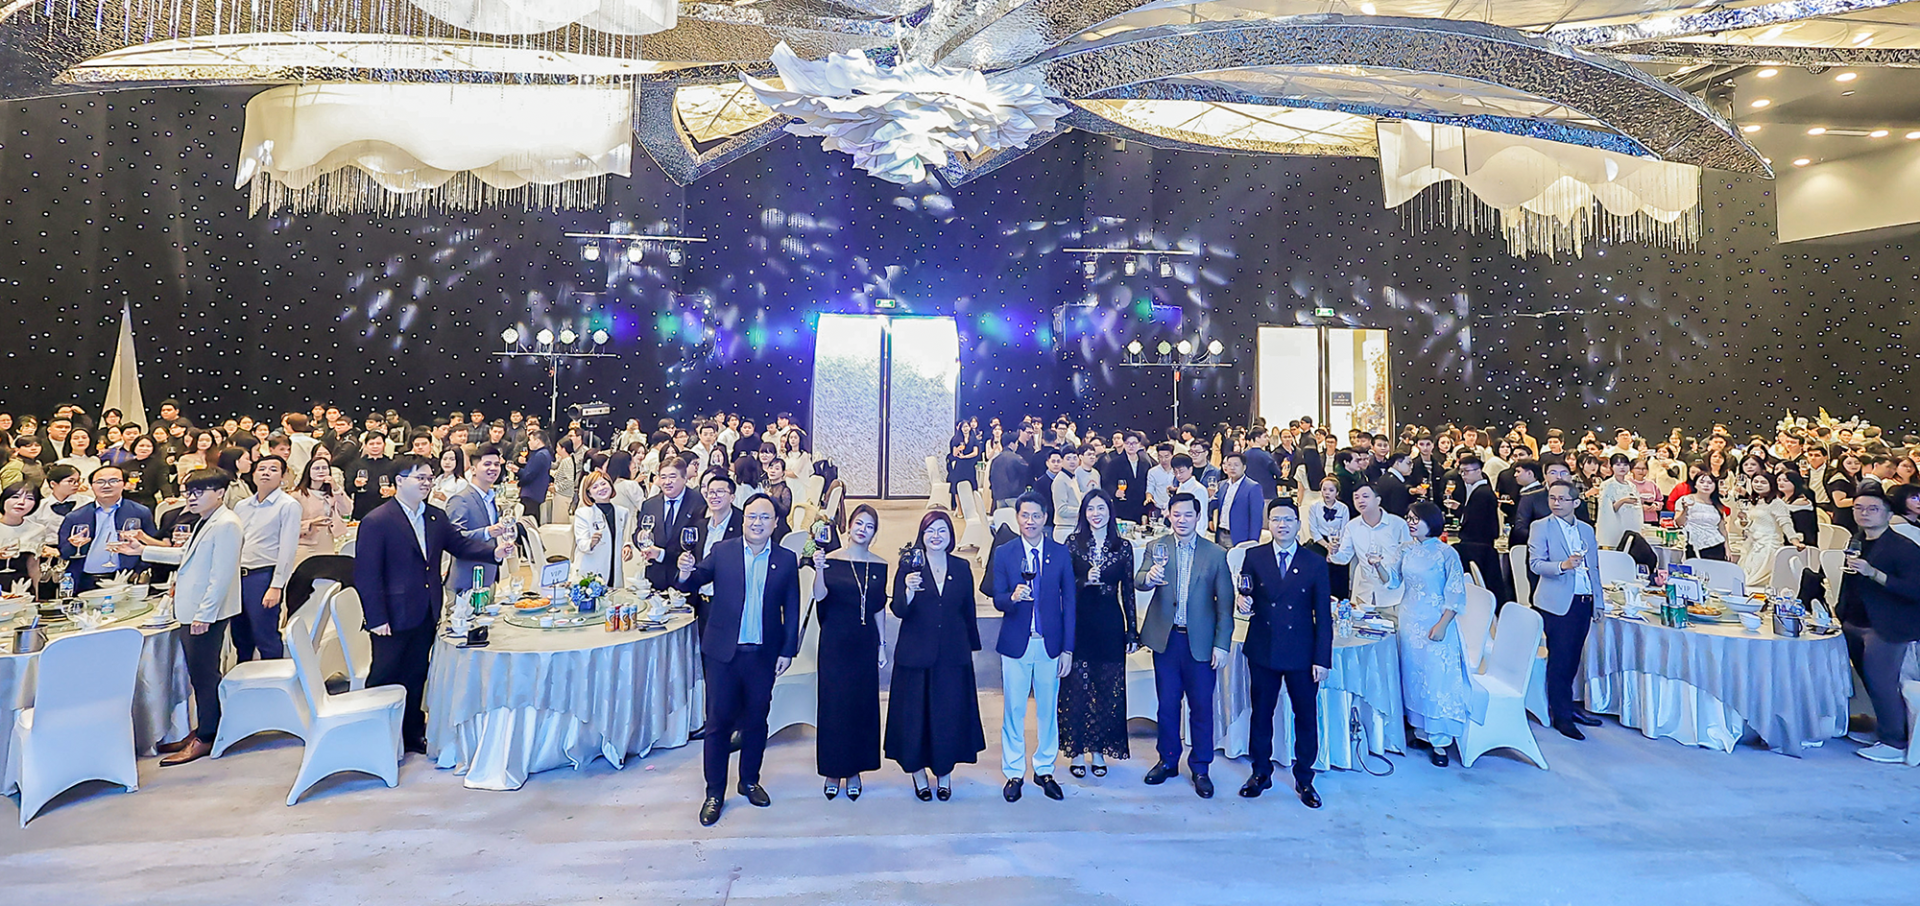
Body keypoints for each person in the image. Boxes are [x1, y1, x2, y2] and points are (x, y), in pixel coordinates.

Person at [352, 455, 509, 754]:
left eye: (428, 478)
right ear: (399, 481)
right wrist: (376, 617)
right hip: (391, 615)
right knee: (385, 675)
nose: (426, 483)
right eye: (419, 478)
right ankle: (374, 737)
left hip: (426, 609)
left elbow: (459, 545)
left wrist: (494, 553)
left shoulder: (434, 516)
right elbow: (367, 574)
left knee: (416, 673)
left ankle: (412, 733)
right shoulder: (378, 520)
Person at [676, 494, 801, 826]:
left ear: (775, 523)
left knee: (757, 721)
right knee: (718, 724)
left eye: (764, 517)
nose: (757, 523)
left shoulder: (786, 559)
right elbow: (695, 579)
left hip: (763, 654)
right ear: (743, 519)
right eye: (751, 516)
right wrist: (685, 572)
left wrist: (787, 650)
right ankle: (714, 792)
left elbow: (792, 607)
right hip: (723, 654)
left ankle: (749, 781)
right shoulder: (723, 551)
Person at [122, 468, 243, 766]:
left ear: (220, 493)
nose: (191, 498)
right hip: (193, 609)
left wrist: (205, 614)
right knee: (198, 674)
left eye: (199, 492)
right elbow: (184, 556)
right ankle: (203, 729)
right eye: (188, 492)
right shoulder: (206, 520)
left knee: (204, 676)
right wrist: (143, 550)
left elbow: (222, 575)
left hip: (205, 613)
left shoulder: (226, 523)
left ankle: (208, 735)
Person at [1134, 492, 1234, 798]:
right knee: (1167, 705)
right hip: (1166, 640)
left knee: (1201, 707)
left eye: (1187, 514)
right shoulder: (1157, 546)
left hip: (1200, 642)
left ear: (1198, 517)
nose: (1181, 520)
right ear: (1169, 515)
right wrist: (1148, 578)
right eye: (1176, 514)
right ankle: (1167, 761)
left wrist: (1222, 644)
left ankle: (1201, 767)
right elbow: (1139, 580)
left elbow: (1225, 604)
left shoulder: (1215, 554)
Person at [1237, 499, 1331, 806]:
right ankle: (1260, 772)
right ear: (1268, 524)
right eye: (1276, 519)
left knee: (1305, 716)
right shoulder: (1254, 556)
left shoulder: (1315, 562)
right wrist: (1242, 602)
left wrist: (1322, 658)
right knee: (1261, 714)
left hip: (1302, 651)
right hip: (1263, 646)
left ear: (1298, 524)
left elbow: (1323, 615)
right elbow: (1246, 592)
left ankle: (1305, 778)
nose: (1282, 525)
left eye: (1288, 519)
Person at [886, 510, 985, 802]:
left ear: (951, 535)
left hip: (952, 653)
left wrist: (973, 647)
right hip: (915, 654)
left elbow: (968, 610)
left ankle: (944, 775)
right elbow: (898, 610)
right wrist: (908, 590)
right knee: (915, 718)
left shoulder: (961, 567)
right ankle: (918, 775)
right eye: (930, 530)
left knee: (947, 716)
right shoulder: (909, 565)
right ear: (922, 535)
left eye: (942, 530)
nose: (936, 536)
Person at [991, 492, 1076, 803]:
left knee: (1047, 710)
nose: (1030, 521)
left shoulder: (1060, 553)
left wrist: (1068, 649)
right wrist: (1011, 598)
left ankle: (1044, 769)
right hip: (1016, 643)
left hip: (1050, 644)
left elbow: (1070, 603)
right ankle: (1014, 772)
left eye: (1036, 515)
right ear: (1017, 517)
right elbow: (997, 597)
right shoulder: (1005, 553)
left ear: (1045, 518)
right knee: (1013, 709)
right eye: (1025, 515)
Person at [810, 504, 888, 800]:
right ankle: (833, 770)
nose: (862, 529)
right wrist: (819, 569)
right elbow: (819, 596)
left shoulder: (880, 565)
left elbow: (878, 607)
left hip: (865, 643)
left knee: (861, 706)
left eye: (869, 526)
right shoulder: (831, 559)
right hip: (834, 641)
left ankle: (855, 770)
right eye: (859, 523)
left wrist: (882, 645)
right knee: (833, 706)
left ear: (874, 532)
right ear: (849, 526)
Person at [1059, 489, 1137, 779]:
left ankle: (1100, 750)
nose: (1096, 514)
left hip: (1110, 623)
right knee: (1078, 688)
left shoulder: (1123, 546)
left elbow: (1128, 591)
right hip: (1080, 623)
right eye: (1090, 508)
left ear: (1110, 511)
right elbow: (1063, 587)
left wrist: (1132, 632)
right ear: (1084, 513)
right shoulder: (1073, 543)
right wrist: (1083, 580)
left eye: (1101, 508)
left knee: (1107, 689)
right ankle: (1078, 751)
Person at [1389, 502, 1475, 765]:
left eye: (1416, 518)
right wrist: (1377, 565)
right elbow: (1392, 581)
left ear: (1432, 521)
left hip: (1435, 620)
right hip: (1409, 619)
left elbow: (1456, 593)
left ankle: (1440, 741)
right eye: (1408, 517)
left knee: (1437, 678)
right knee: (1413, 676)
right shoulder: (1405, 549)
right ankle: (1421, 731)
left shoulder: (1446, 553)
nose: (1411, 522)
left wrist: (1443, 624)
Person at [1839, 490, 1920, 763]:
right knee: (1868, 679)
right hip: (1855, 619)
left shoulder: (1903, 547)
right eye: (1858, 507)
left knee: (1882, 682)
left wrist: (1874, 574)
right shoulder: (1857, 540)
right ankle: (1883, 729)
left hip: (1887, 624)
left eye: (1872, 508)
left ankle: (1895, 742)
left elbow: (1914, 589)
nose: (1864, 513)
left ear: (1888, 514)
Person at [1528, 480, 1604, 741]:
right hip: (1556, 601)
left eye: (1562, 499)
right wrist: (1563, 566)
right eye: (1552, 498)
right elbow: (1536, 564)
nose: (1556, 503)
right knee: (1560, 659)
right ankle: (1561, 715)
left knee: (1573, 658)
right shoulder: (1541, 527)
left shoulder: (1586, 529)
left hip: (1584, 599)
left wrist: (1598, 602)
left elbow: (1594, 568)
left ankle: (1568, 706)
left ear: (1576, 502)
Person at [230, 455, 303, 662]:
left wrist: (276, 585)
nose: (266, 473)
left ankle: (273, 676)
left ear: (283, 476)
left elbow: (288, 549)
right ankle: (244, 676)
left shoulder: (288, 505)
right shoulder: (242, 506)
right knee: (240, 636)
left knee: (265, 635)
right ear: (253, 474)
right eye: (261, 469)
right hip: (238, 576)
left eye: (273, 469)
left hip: (263, 576)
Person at [56, 464, 157, 593]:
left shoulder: (140, 512)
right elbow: (64, 553)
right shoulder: (75, 516)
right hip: (84, 580)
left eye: (113, 481)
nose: (106, 486)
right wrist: (73, 545)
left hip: (126, 579)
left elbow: (151, 546)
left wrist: (139, 571)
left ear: (125, 484)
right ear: (91, 486)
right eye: (100, 482)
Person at [1327, 485, 1410, 610]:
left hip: (1394, 595)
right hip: (1364, 593)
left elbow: (1408, 556)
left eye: (1365, 496)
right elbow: (1344, 558)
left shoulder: (1398, 524)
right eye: (1356, 497)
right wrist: (1333, 552)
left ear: (1378, 500)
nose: (1360, 500)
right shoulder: (1352, 526)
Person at [446, 445, 514, 595]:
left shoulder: (490, 498)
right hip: (466, 580)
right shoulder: (460, 499)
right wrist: (486, 532)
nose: (493, 468)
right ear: (473, 469)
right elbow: (453, 539)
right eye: (487, 464)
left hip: (489, 576)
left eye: (496, 464)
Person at [1445, 455, 1506, 605]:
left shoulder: (1483, 492)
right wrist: (1460, 508)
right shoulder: (1477, 490)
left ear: (1478, 471)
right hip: (1478, 542)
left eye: (1467, 471)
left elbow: (1477, 520)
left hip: (1478, 544)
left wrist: (1462, 511)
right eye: (1461, 471)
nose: (1463, 475)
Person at [636, 458, 704, 592]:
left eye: (672, 477)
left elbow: (700, 543)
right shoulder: (650, 504)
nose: (667, 482)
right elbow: (638, 532)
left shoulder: (699, 503)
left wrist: (662, 554)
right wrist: (640, 537)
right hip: (655, 578)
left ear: (684, 478)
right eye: (663, 477)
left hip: (685, 578)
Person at [571, 470, 633, 586]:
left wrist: (627, 546)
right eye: (595, 487)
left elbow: (626, 537)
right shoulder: (583, 513)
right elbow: (582, 543)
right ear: (589, 493)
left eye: (603, 484)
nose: (601, 488)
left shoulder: (622, 512)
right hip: (591, 570)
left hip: (614, 568)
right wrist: (591, 542)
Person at [1738, 471, 1795, 589]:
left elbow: (1785, 523)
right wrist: (1743, 520)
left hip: (1768, 545)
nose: (1758, 485)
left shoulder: (1777, 503)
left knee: (1756, 581)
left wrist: (1794, 540)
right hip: (1754, 544)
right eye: (1756, 481)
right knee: (1745, 577)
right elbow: (1750, 523)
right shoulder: (1755, 502)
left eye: (1763, 482)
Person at [291, 456, 352, 562]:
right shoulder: (297, 495)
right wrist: (311, 523)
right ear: (308, 472)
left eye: (324, 468)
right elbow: (289, 525)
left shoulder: (332, 494)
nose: (321, 471)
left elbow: (347, 510)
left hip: (328, 544)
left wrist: (336, 488)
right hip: (305, 545)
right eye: (316, 468)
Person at [1212, 451, 1266, 547]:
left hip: (1239, 537)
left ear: (1244, 467)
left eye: (1236, 465)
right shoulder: (1222, 485)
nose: (1232, 468)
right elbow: (1215, 505)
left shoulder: (1253, 487)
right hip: (1221, 533)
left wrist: (1253, 542)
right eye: (1229, 465)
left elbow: (1256, 519)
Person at [1674, 470, 1728, 560]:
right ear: (1695, 485)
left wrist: (1727, 548)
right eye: (1702, 482)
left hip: (1716, 544)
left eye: (1710, 483)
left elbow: (1722, 528)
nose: (1706, 485)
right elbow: (1679, 523)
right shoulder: (1686, 500)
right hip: (1693, 544)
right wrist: (1685, 510)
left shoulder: (1717, 504)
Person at [0, 483, 44, 593]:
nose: (21, 502)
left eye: (29, 498)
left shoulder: (37, 530)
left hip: (21, 588)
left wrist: (36, 595)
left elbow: (33, 566)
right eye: (15, 497)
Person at [1598, 453, 1644, 549]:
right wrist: (1623, 501)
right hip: (1616, 526)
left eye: (1625, 464)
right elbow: (1607, 510)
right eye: (1618, 465)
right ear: (1611, 467)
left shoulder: (1631, 486)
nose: (1622, 467)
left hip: (1632, 524)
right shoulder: (1608, 485)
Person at [348, 431, 395, 520]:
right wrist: (355, 484)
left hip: (386, 508)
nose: (375, 446)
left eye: (378, 443)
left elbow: (399, 487)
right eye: (371, 444)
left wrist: (392, 490)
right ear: (365, 445)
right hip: (362, 509)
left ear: (384, 445)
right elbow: (347, 488)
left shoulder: (393, 464)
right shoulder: (356, 464)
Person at [517, 429, 553, 522]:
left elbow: (530, 475)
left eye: (530, 440)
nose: (528, 443)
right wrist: (517, 470)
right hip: (536, 494)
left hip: (532, 494)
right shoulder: (543, 453)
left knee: (528, 522)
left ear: (537, 441)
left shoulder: (540, 455)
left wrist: (519, 483)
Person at [987, 438, 1029, 511]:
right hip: (1014, 495)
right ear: (1011, 444)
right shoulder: (1017, 458)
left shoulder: (995, 459)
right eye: (1016, 443)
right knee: (1015, 517)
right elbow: (1027, 473)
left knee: (1002, 517)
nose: (1017, 445)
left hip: (999, 496)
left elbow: (990, 477)